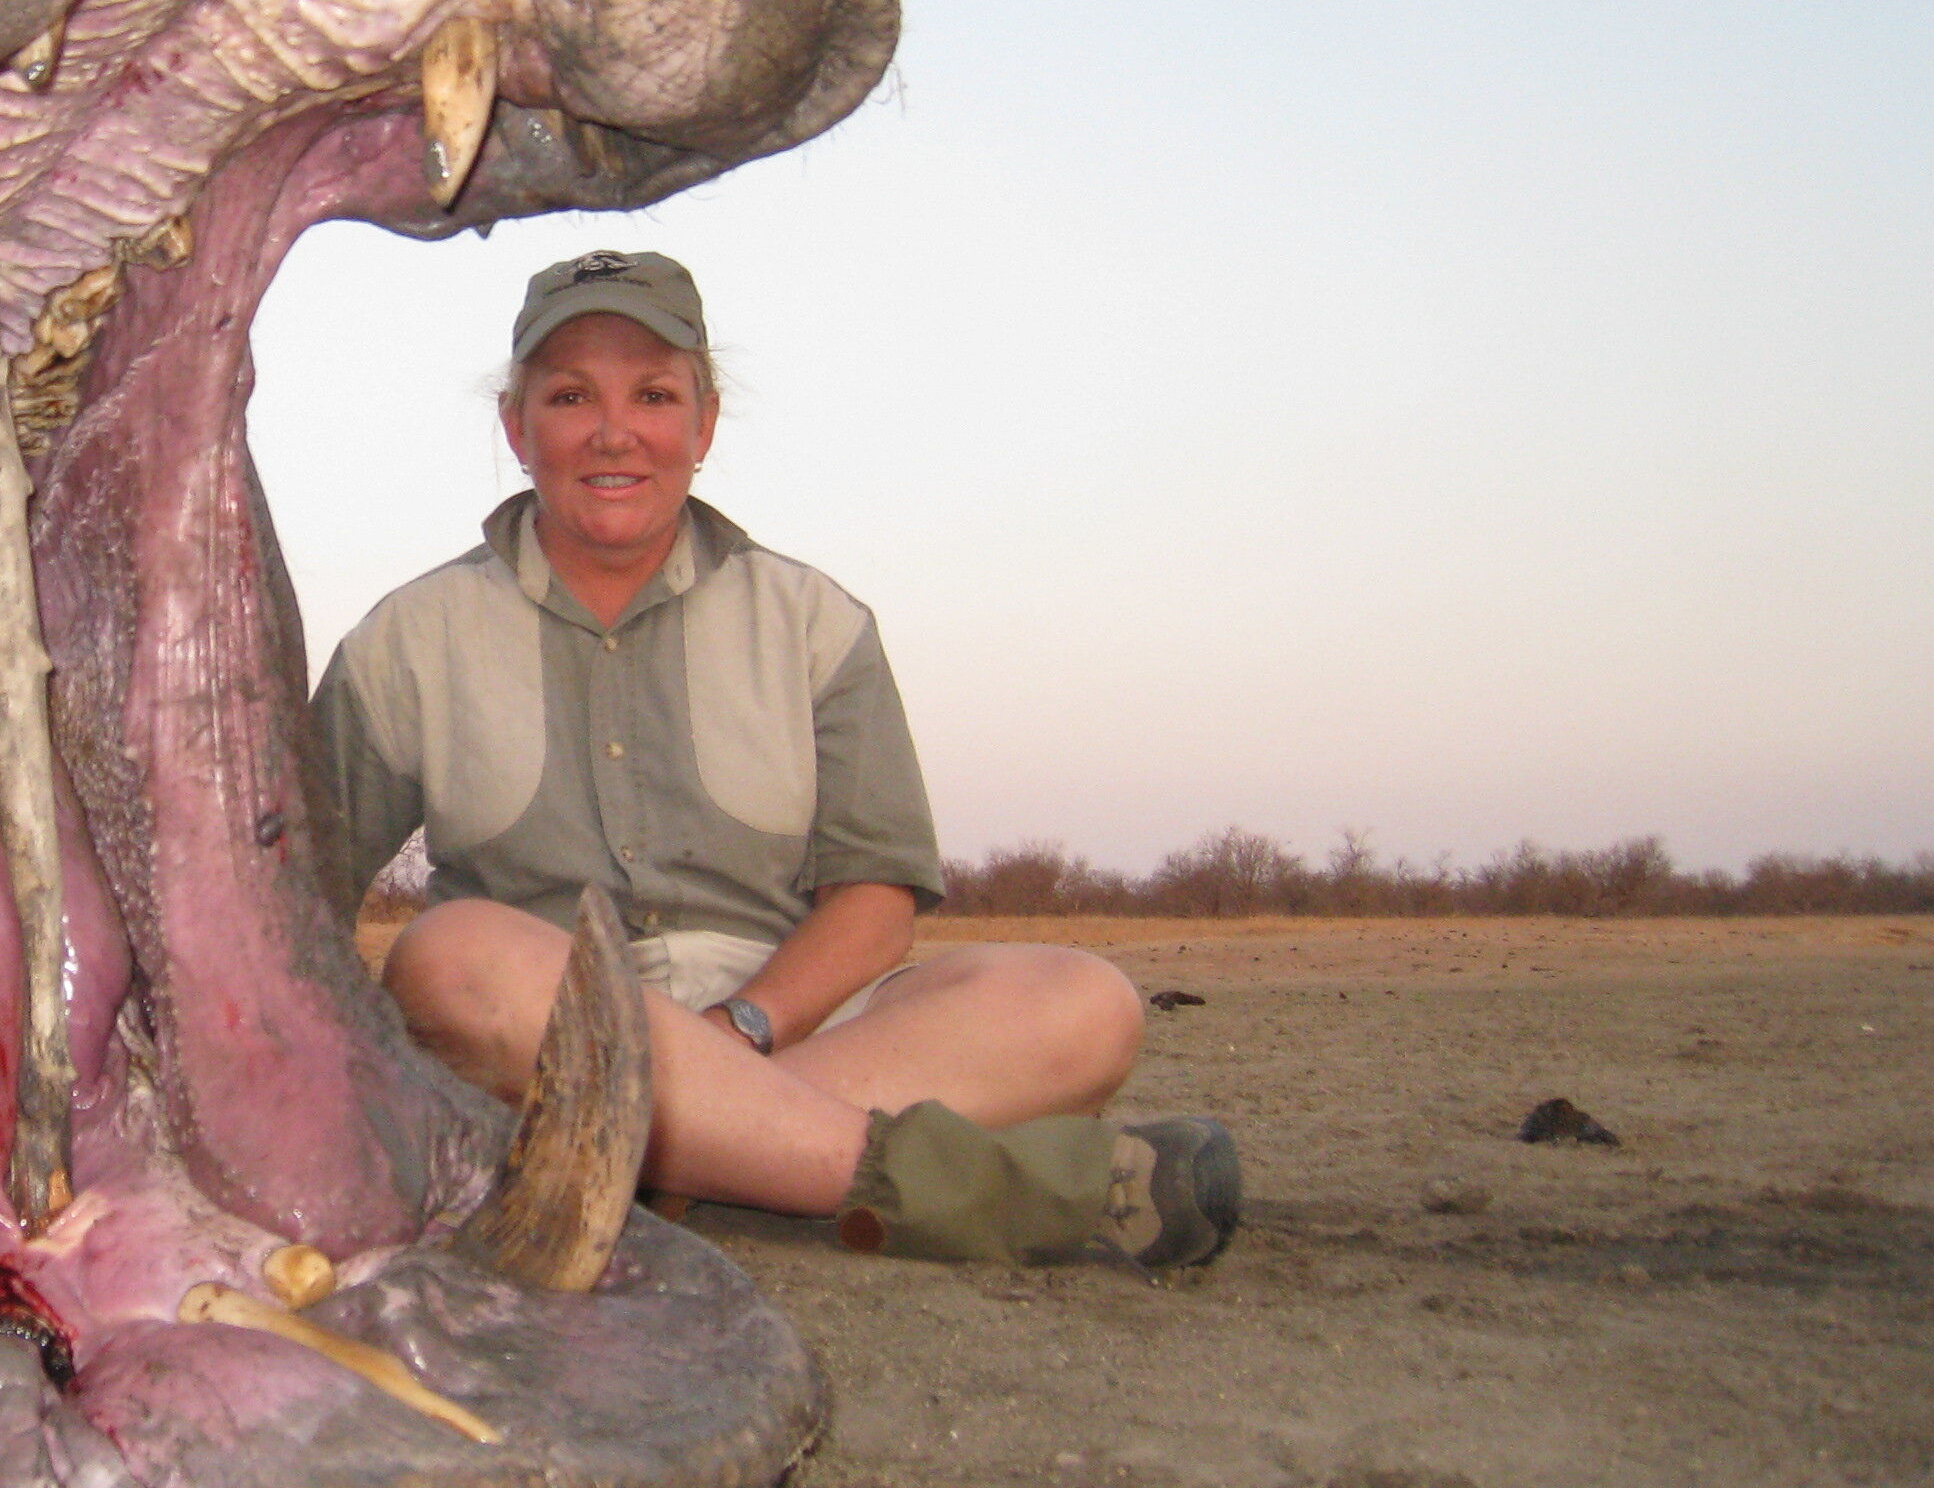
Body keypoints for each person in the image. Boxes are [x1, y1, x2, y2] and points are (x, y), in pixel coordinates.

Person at [313, 249, 1239, 1268]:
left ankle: (675, 1170)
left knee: (1084, 1005)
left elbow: (876, 898)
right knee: (450, 961)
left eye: (654, 395)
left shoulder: (815, 623)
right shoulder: (404, 638)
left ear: (703, 426)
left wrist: (743, 1031)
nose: (614, 431)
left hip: (790, 1031)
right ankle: (972, 1189)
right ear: (516, 428)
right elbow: (290, 895)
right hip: (534, 1033)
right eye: (572, 395)